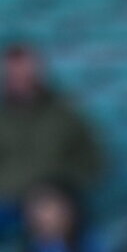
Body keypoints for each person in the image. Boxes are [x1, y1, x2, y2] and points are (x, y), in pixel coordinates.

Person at [0, 45, 104, 238]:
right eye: (14, 74)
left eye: (25, 73)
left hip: (54, 197)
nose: (20, 80)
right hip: (7, 201)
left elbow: (92, 159)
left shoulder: (64, 113)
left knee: (54, 214)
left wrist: (62, 187)